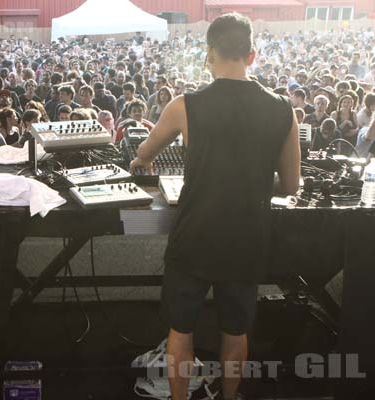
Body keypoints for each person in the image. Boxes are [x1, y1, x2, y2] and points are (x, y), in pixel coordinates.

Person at [130, 14, 300, 400]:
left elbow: (143, 154)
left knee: (181, 329)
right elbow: (291, 185)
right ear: (252, 55)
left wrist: (144, 164)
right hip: (247, 237)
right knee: (236, 330)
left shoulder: (184, 105)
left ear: (209, 55)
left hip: (195, 234)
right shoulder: (282, 111)